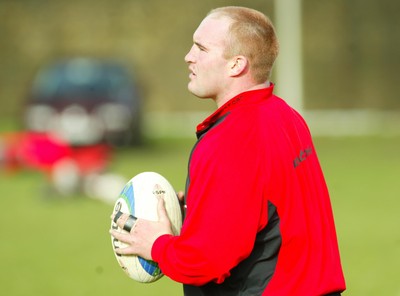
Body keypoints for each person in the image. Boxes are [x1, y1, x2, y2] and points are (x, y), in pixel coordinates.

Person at [110, 6, 346, 295]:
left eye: (201, 48)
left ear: (236, 65)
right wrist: (204, 206)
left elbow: (203, 262)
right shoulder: (286, 116)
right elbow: (263, 208)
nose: (188, 56)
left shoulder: (231, 140)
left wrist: (156, 244)